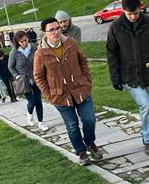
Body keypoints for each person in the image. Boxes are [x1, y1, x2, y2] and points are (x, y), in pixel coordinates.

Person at [34, 17, 101, 166]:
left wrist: (87, 80)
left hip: (81, 89)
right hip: (60, 96)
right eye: (52, 30)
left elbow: (83, 61)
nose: (56, 32)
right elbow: (38, 77)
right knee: (72, 125)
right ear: (45, 33)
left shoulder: (70, 42)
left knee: (89, 119)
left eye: (57, 28)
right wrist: (49, 95)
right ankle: (81, 152)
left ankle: (90, 143)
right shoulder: (40, 53)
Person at [106, 0, 149, 156]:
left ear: (140, 9)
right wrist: (115, 77)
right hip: (129, 76)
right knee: (145, 105)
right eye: (129, 14)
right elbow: (111, 53)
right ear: (123, 11)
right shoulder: (115, 27)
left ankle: (146, 134)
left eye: (136, 13)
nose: (133, 17)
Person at [8, 30, 48, 131]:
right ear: (17, 42)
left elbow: (41, 61)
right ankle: (29, 114)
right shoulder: (14, 52)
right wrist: (16, 76)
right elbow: (10, 67)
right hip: (23, 80)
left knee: (39, 101)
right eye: (21, 42)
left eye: (25, 40)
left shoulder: (34, 48)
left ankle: (41, 123)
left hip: (36, 78)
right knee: (32, 102)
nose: (24, 43)